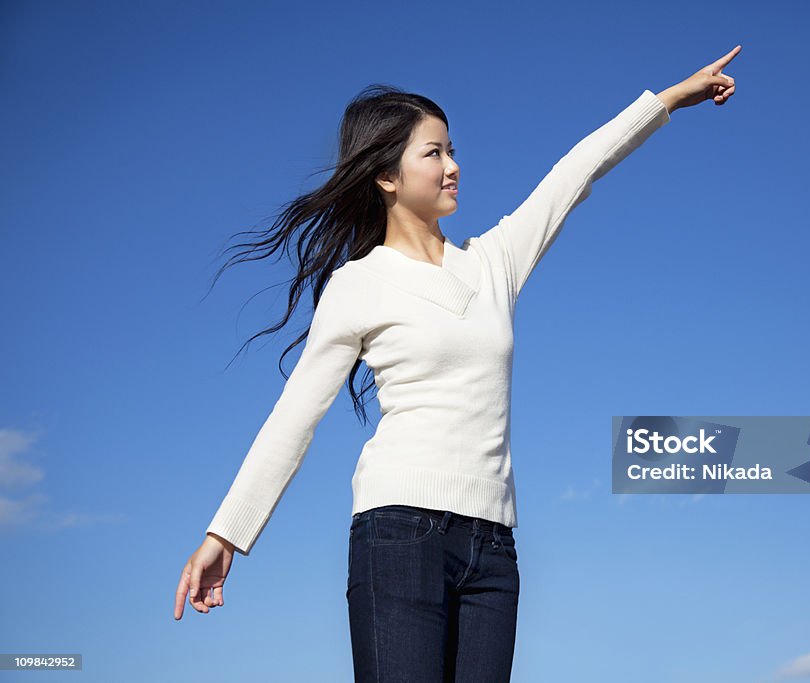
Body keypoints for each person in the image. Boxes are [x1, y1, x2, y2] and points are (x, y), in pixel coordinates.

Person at [173, 45, 742, 681]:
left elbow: (573, 175)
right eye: (434, 153)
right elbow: (293, 420)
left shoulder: (492, 263)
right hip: (398, 537)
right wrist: (226, 536)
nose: (453, 167)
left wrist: (666, 101)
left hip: (494, 546)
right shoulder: (358, 284)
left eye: (452, 150)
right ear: (387, 177)